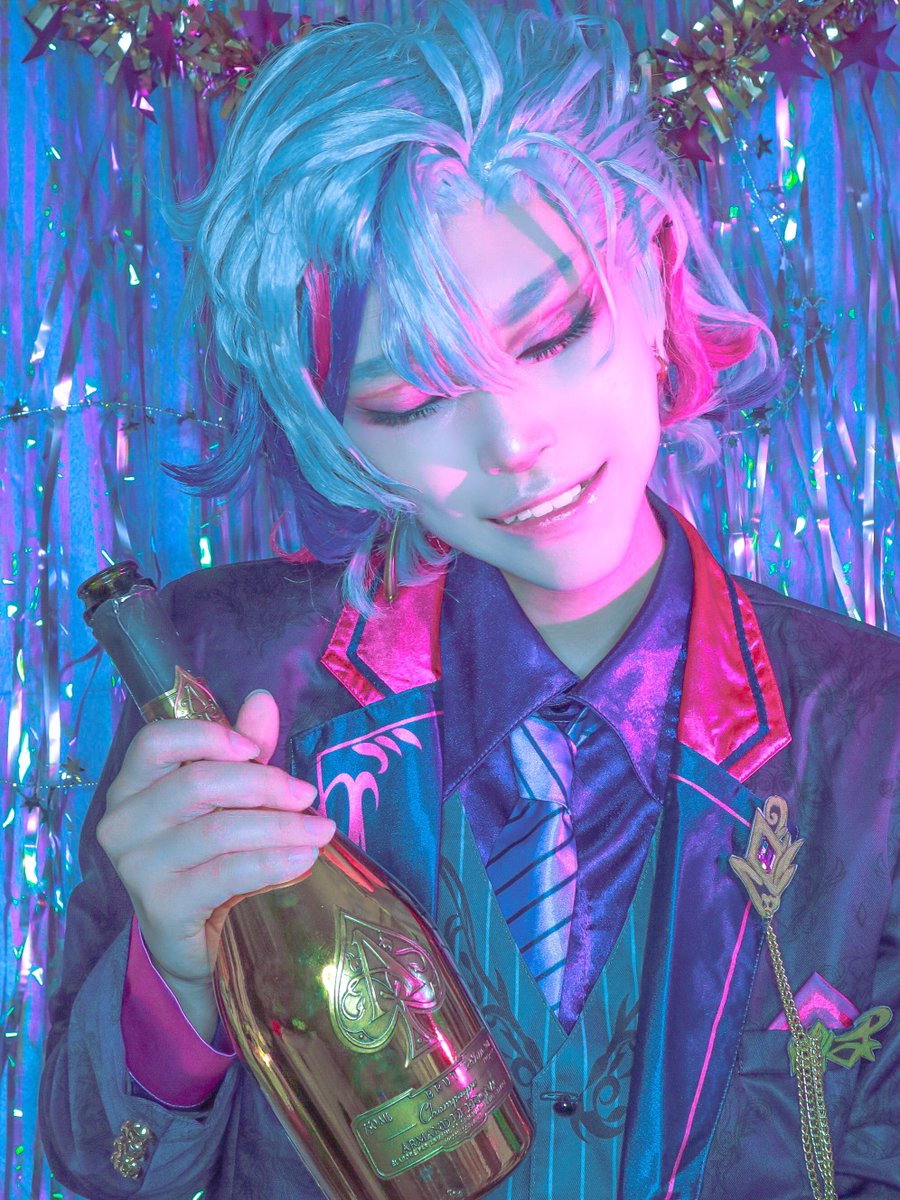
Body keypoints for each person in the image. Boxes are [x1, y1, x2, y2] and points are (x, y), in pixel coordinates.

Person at [38, 3, 899, 1198]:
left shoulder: (875, 728)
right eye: (412, 401)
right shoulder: (222, 671)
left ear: (655, 273)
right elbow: (103, 1166)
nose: (512, 443)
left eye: (553, 333)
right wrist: (175, 982)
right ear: (334, 428)